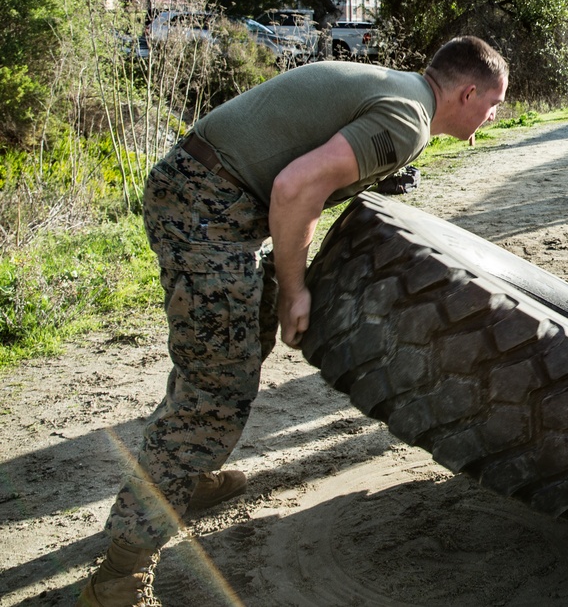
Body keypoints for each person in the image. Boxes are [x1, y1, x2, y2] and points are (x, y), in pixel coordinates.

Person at [77, 36, 508, 607]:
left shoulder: (401, 94)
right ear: (469, 91)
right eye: (494, 104)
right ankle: (118, 576)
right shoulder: (408, 119)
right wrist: (294, 289)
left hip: (208, 195)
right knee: (216, 393)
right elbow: (294, 187)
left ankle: (191, 472)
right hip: (207, 208)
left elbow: (309, 157)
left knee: (236, 345)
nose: (494, 115)